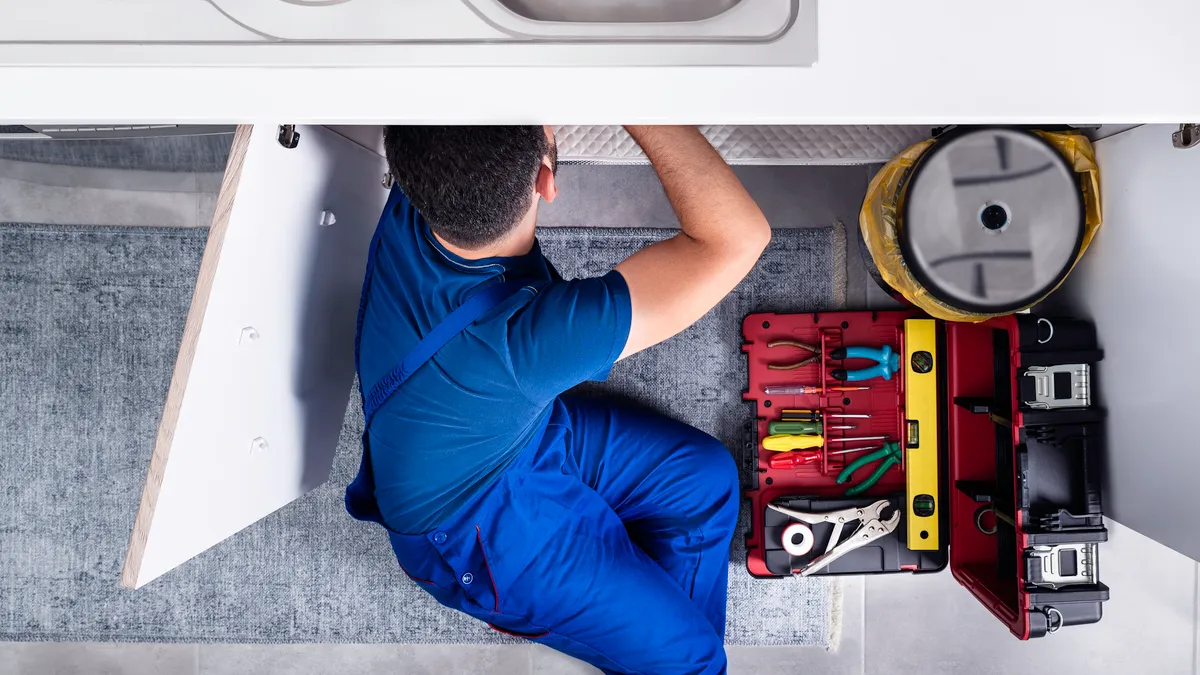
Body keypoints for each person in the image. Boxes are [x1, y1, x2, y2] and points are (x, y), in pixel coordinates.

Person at [346, 125, 770, 675]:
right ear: (547, 180)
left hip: (506, 437)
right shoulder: (530, 340)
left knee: (705, 480)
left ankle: (659, 651)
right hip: (476, 528)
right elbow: (736, 239)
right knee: (694, 663)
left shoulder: (425, 180)